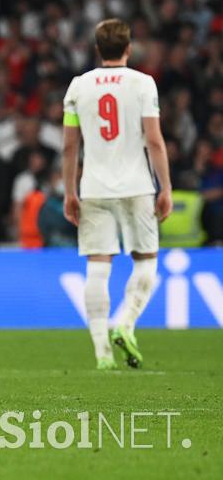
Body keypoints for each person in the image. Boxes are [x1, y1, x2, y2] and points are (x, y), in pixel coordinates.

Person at [62, 18, 172, 370]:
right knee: (146, 261)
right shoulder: (143, 84)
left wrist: (69, 191)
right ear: (128, 48)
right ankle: (125, 324)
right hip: (137, 186)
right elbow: (153, 140)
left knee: (97, 266)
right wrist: (165, 186)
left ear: (97, 50)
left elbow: (69, 147)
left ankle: (101, 354)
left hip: (93, 186)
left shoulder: (79, 86)